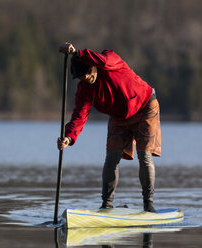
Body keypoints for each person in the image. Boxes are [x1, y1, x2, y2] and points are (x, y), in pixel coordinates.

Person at [57, 42, 161, 212]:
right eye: (82, 77)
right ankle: (106, 205)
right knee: (112, 158)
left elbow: (103, 61)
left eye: (88, 73)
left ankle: (148, 205)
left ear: (94, 66)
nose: (86, 78)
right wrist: (68, 137)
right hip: (119, 117)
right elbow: (79, 115)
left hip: (145, 107)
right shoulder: (84, 89)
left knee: (144, 156)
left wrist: (76, 52)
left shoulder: (110, 60)